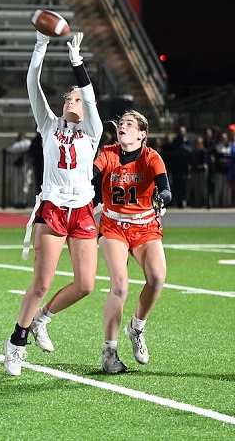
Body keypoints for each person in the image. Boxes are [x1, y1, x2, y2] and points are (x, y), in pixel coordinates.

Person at [3, 30, 103, 376]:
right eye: (68, 100)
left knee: (86, 284)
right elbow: (33, 83)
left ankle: (42, 319)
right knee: (41, 283)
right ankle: (16, 343)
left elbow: (89, 98)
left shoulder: (93, 131)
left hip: (83, 209)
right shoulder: (48, 125)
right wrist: (41, 45)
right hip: (53, 207)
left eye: (75, 100)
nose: (70, 103)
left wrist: (77, 63)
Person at [92, 110, 171, 373]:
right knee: (120, 286)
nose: (122, 127)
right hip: (113, 224)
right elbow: (94, 172)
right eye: (121, 124)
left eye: (129, 124)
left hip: (145, 225)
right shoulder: (108, 153)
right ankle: (109, 351)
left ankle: (136, 327)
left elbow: (165, 185)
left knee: (158, 277)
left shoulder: (151, 156)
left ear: (142, 134)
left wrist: (165, 197)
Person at [6, 131, 33, 208]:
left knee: (25, 184)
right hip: (17, 167)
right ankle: (17, 202)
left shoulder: (28, 143)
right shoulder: (16, 144)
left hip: (26, 166)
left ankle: (23, 201)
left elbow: (25, 147)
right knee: (17, 185)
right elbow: (11, 149)